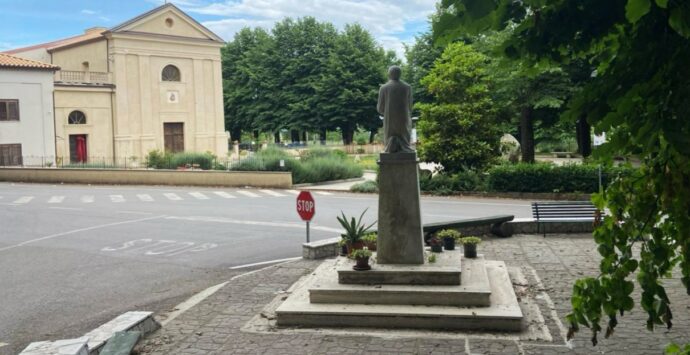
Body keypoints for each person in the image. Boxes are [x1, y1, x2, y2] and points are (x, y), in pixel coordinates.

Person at [377, 66, 414, 153]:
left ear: (389, 74)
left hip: (389, 119)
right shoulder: (407, 87)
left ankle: (390, 148)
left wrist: (387, 112)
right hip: (403, 118)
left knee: (390, 136)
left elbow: (380, 108)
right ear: (400, 74)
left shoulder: (384, 88)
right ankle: (405, 147)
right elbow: (410, 106)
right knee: (404, 136)